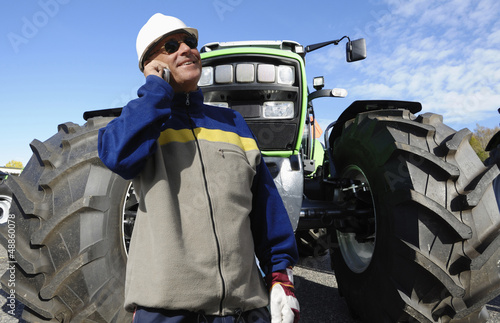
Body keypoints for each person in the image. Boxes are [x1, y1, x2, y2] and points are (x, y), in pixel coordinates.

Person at [98, 13, 300, 323]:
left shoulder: (233, 123)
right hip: (166, 311)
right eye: (170, 45)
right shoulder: (142, 122)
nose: (187, 49)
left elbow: (265, 207)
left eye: (190, 42)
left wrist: (281, 278)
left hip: (244, 308)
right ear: (151, 65)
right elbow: (116, 155)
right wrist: (155, 92)